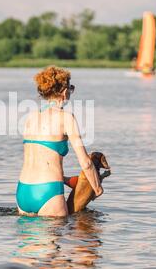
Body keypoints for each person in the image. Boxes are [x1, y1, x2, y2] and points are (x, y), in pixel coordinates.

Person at [16, 66, 104, 217]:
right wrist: (97, 188)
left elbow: (41, 162)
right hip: (48, 192)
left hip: (23, 192)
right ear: (64, 91)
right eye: (71, 88)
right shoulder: (66, 118)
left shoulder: (30, 117)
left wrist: (67, 180)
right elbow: (86, 162)